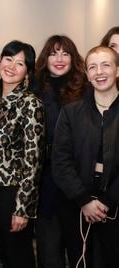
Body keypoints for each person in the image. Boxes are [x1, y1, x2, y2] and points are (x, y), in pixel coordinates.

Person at [52, 46, 119, 268]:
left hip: (116, 204)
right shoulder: (71, 112)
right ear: (88, 74)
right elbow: (61, 162)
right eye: (93, 67)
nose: (99, 72)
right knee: (81, 260)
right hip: (77, 206)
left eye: (106, 65)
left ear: (117, 70)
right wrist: (84, 200)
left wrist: (108, 200)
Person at [0, 40, 45, 268]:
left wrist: (23, 208)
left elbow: (33, 160)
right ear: (0, 62)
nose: (11, 66)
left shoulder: (30, 104)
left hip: (14, 191)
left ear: (27, 72)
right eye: (8, 59)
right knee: (3, 252)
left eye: (20, 63)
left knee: (19, 256)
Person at [35, 35, 87, 268]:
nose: (59, 58)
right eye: (53, 53)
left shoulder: (86, 89)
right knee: (49, 250)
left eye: (65, 53)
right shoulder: (33, 87)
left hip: (77, 179)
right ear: (45, 58)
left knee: (79, 249)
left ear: (73, 58)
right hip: (45, 180)